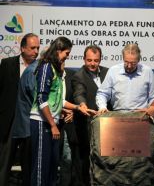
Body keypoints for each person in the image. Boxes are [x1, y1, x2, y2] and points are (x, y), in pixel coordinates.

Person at [96, 43, 154, 185]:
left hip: (140, 122)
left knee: (141, 164)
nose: (130, 66)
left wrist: (151, 110)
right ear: (122, 58)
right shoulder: (114, 71)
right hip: (117, 122)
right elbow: (102, 93)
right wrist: (102, 106)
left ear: (139, 60)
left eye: (133, 63)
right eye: (126, 62)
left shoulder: (147, 72)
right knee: (118, 164)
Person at [29, 36, 89, 186]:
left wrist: (77, 107)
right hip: (42, 123)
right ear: (58, 50)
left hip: (51, 124)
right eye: (66, 53)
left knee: (51, 167)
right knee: (41, 168)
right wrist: (53, 125)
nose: (67, 57)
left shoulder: (56, 71)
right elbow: (42, 99)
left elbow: (57, 100)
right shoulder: (46, 67)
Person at [0, 33, 40, 186]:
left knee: (28, 165)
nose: (36, 51)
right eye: (32, 48)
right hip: (8, 122)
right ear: (22, 48)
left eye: (37, 47)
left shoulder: (41, 67)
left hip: (29, 123)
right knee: (4, 164)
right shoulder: (7, 64)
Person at [71, 45, 107, 185]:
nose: (92, 64)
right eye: (89, 60)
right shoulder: (78, 76)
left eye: (96, 60)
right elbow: (79, 93)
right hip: (87, 127)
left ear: (100, 60)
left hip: (107, 126)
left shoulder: (107, 72)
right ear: (84, 59)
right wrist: (82, 105)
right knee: (86, 163)